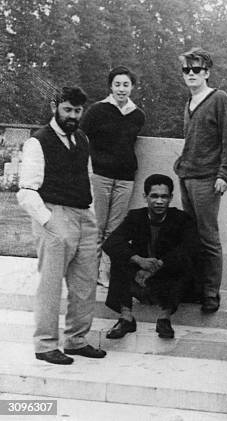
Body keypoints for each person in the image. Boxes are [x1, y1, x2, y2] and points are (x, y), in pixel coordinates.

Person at [17, 87, 106, 364]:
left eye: (77, 111)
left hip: (84, 217)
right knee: (51, 285)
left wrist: (90, 215)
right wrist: (49, 221)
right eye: (67, 109)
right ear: (56, 107)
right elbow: (26, 190)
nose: (72, 115)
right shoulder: (38, 141)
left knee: (84, 284)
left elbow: (87, 178)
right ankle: (45, 345)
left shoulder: (82, 139)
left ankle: (77, 340)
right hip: (55, 215)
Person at [174, 47, 227, 313]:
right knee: (191, 236)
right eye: (186, 70)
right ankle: (195, 287)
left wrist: (225, 174)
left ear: (207, 73)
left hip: (207, 178)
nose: (191, 74)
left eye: (196, 69)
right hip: (186, 175)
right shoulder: (187, 104)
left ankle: (211, 292)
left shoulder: (219, 98)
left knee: (209, 237)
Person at [102, 174, 198, 339]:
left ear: (171, 198)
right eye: (154, 196)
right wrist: (138, 260)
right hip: (139, 275)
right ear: (145, 197)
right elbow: (111, 242)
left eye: (164, 196)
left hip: (166, 278)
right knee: (121, 255)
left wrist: (158, 265)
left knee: (185, 259)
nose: (159, 201)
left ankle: (164, 318)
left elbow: (191, 247)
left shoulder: (181, 219)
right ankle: (126, 317)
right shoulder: (136, 216)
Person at [80, 66, 146, 287]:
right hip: (100, 176)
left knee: (115, 229)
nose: (121, 89)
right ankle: (90, 272)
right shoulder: (97, 110)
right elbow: (80, 138)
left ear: (132, 87)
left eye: (126, 85)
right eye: (117, 84)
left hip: (125, 178)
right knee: (97, 226)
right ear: (110, 86)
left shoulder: (138, 114)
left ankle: (105, 273)